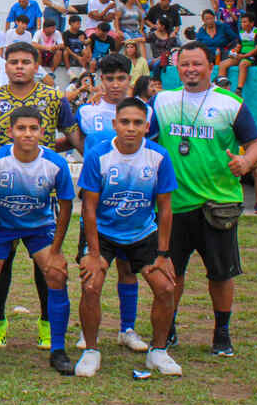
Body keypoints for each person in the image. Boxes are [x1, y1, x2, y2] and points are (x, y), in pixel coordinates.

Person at [152, 41, 257, 356]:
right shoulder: (162, 102)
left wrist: (245, 162)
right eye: (185, 64)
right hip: (175, 204)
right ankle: (168, 329)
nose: (190, 70)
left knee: (221, 273)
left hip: (218, 204)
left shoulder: (230, 103)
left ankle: (222, 334)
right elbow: (140, 135)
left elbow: (256, 144)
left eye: (197, 64)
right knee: (173, 271)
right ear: (177, 67)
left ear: (210, 66)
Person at [0, 42, 79, 350]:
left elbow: (71, 131)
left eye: (25, 61)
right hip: (1, 190)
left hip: (40, 194)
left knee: (45, 266)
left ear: (37, 65)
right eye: (13, 62)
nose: (19, 66)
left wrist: (74, 155)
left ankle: (47, 324)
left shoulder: (53, 97)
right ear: (4, 66)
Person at [75, 98, 180, 377]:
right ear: (115, 125)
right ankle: (91, 351)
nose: (131, 128)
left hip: (142, 232)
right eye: (125, 122)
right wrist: (94, 254)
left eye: (137, 123)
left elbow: (166, 208)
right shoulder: (98, 155)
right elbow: (89, 207)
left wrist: (163, 254)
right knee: (91, 286)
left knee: (166, 288)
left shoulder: (158, 156)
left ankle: (158, 352)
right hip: (103, 233)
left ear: (147, 126)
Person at [0, 106, 76, 375]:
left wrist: (56, 251)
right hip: (0, 226)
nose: (27, 134)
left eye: (33, 128)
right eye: (21, 128)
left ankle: (58, 349)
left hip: (38, 227)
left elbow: (65, 208)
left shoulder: (55, 163)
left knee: (56, 273)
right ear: (10, 132)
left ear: (42, 132)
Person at [71, 53, 151, 354]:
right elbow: (78, 142)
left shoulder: (146, 113)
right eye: (109, 79)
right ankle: (88, 331)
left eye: (121, 78)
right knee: (91, 270)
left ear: (130, 79)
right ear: (100, 80)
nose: (115, 85)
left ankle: (127, 328)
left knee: (128, 270)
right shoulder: (87, 113)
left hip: (133, 205)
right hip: (97, 206)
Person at [217, 12, 257, 95]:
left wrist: (244, 56)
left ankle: (239, 89)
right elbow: (239, 45)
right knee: (223, 64)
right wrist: (234, 51)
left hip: (253, 57)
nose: (242, 24)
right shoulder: (241, 32)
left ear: (251, 23)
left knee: (243, 64)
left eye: (245, 22)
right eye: (241, 22)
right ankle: (222, 87)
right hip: (242, 55)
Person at [147, 15, 179, 80]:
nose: (156, 25)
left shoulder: (171, 35)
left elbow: (170, 50)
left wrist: (159, 58)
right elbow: (144, 39)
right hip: (156, 58)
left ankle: (157, 82)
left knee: (156, 64)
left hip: (167, 58)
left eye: (157, 24)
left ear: (163, 26)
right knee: (145, 64)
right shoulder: (153, 34)